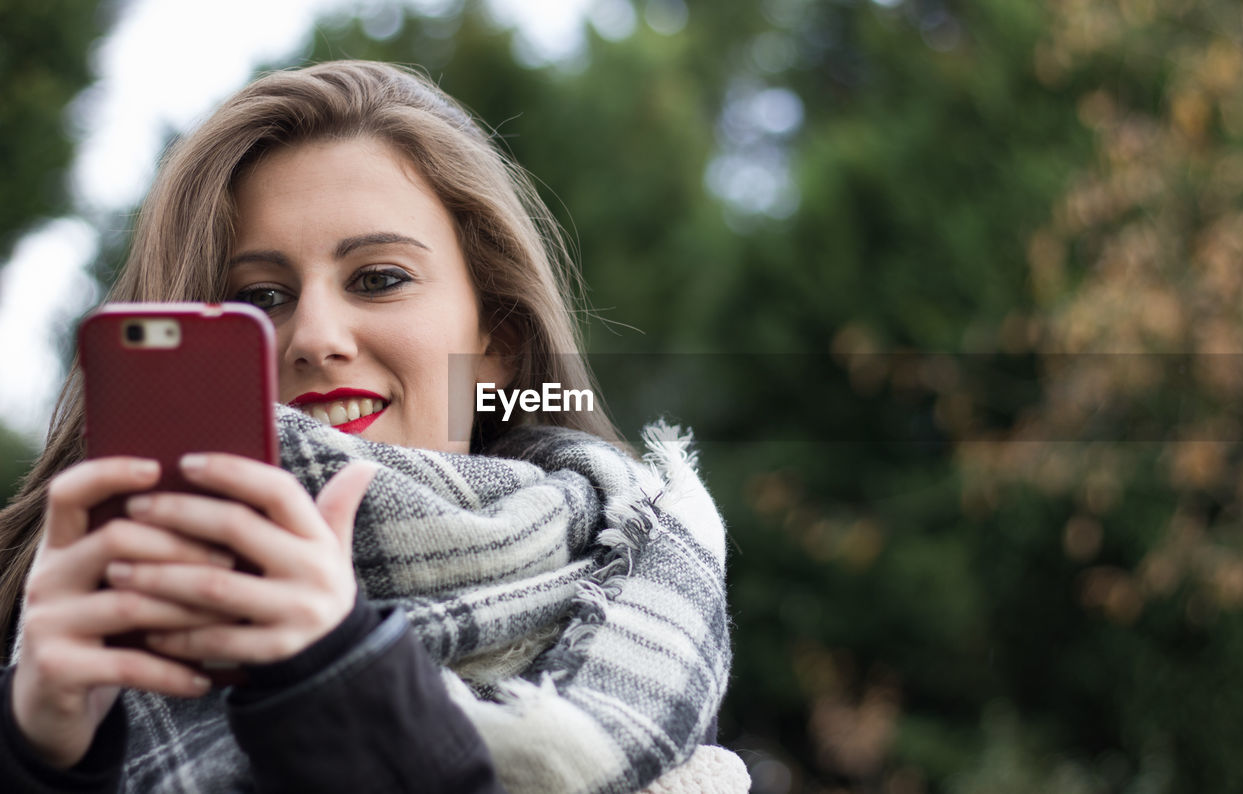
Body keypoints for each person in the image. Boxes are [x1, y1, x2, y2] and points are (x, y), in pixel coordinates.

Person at [0, 61, 744, 792]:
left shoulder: (643, 590)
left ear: (500, 345)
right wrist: (42, 763)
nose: (315, 336)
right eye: (259, 297)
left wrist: (334, 676)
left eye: (379, 279)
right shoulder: (69, 638)